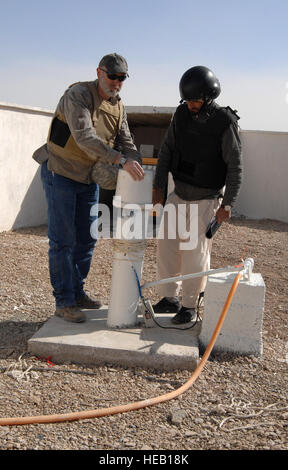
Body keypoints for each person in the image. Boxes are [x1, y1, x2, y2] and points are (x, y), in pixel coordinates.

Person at [33, 53, 144, 323]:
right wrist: (119, 160)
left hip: (87, 177)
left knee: (87, 238)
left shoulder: (118, 106)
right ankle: (64, 301)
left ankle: (78, 291)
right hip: (60, 171)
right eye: (112, 76)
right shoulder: (78, 95)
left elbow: (126, 140)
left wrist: (137, 166)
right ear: (99, 72)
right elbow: (84, 137)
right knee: (63, 240)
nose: (117, 83)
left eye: (122, 78)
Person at [152, 65, 242, 324]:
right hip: (178, 195)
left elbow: (235, 165)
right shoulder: (180, 115)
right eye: (188, 100)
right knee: (167, 247)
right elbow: (167, 150)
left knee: (194, 254)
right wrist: (159, 188)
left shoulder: (225, 123)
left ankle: (190, 305)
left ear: (208, 97)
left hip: (206, 199)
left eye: (195, 100)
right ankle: (169, 298)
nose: (191, 104)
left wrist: (228, 204)